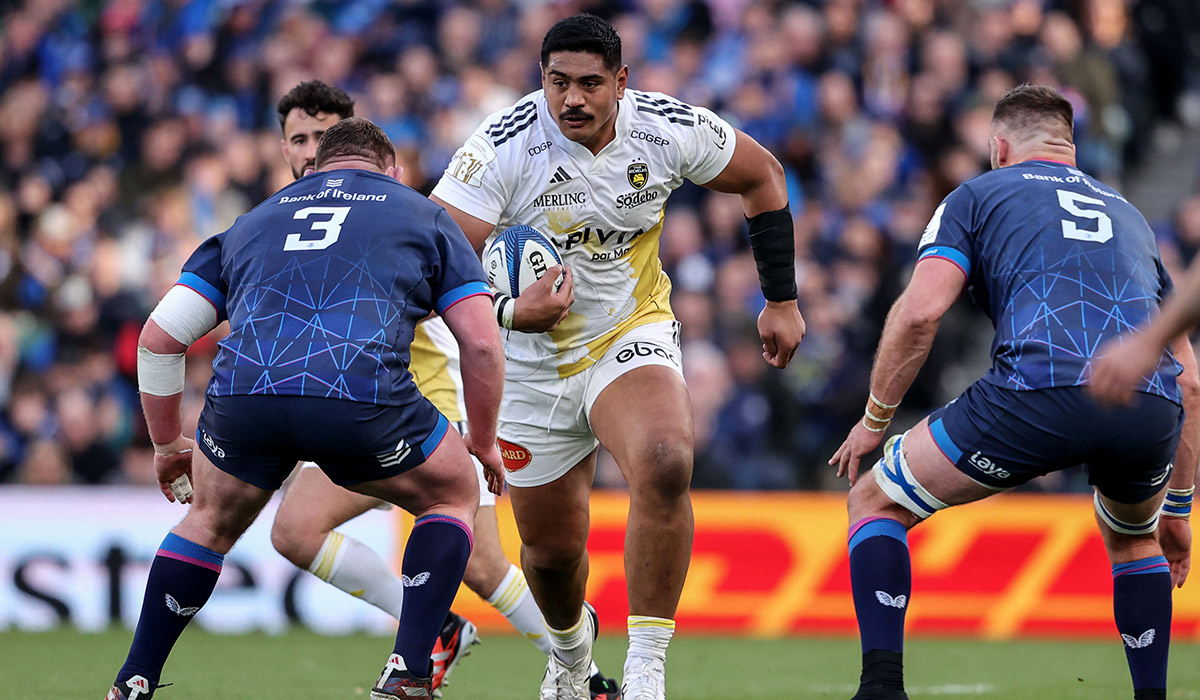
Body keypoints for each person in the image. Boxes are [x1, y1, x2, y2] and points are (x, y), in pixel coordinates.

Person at [430, 14, 805, 700]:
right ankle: (571, 659)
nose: (572, 98)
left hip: (628, 333)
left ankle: (645, 669)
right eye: (557, 82)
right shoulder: (503, 147)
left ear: (621, 82)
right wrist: (513, 311)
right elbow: (433, 258)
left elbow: (765, 177)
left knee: (665, 460)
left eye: (589, 84)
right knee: (550, 553)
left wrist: (780, 299)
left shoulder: (665, 129)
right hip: (529, 363)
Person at [105, 117, 505, 700]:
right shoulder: (421, 213)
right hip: (360, 397)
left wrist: (168, 447)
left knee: (208, 521)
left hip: (246, 400)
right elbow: (481, 341)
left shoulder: (253, 219)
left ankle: (133, 679)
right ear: (392, 172)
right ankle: (409, 672)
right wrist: (485, 441)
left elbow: (160, 339)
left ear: (313, 169)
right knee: (451, 492)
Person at [828, 84, 1199, 700]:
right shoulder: (1131, 218)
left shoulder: (976, 194)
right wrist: (1180, 509)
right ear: (1070, 150)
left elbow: (921, 313)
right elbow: (1189, 377)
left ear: (998, 147)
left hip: (1038, 392)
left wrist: (875, 418)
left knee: (875, 502)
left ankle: (881, 688)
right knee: (1135, 539)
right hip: (1148, 404)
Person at [266, 80, 622, 699]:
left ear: (351, 142)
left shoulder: (387, 210)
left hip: (428, 399)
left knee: (484, 566)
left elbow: (438, 302)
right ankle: (438, 628)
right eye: (298, 138)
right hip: (354, 406)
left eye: (323, 137)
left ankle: (585, 675)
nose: (309, 150)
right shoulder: (290, 214)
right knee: (295, 531)